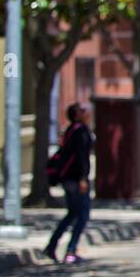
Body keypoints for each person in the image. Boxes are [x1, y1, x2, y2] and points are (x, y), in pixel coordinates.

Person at [43, 103, 94, 265]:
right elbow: (81, 157)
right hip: (77, 179)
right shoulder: (81, 131)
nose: (87, 112)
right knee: (82, 214)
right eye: (83, 110)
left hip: (67, 178)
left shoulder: (71, 129)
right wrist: (83, 178)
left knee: (72, 213)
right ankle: (71, 251)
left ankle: (52, 247)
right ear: (77, 115)